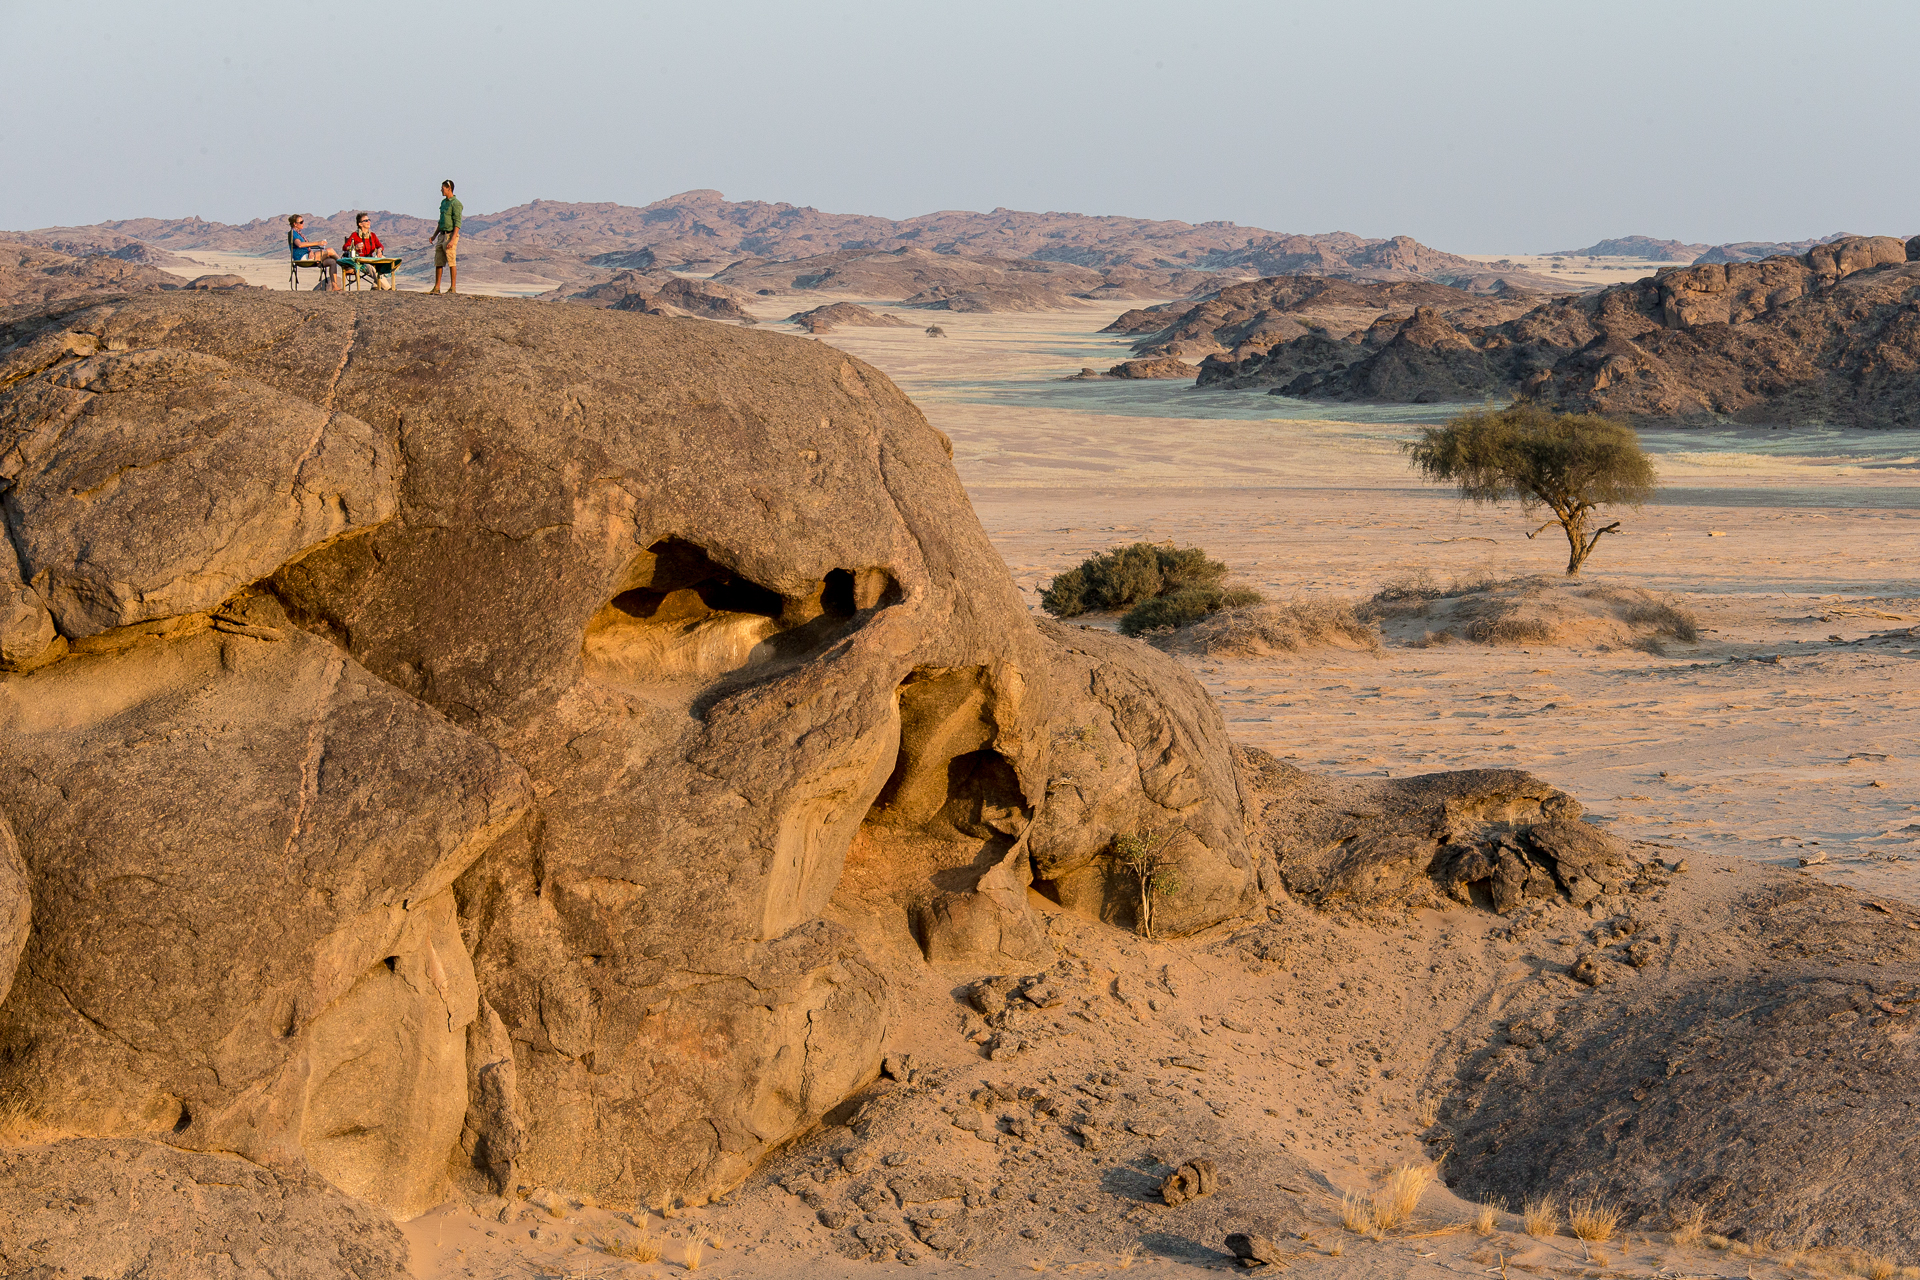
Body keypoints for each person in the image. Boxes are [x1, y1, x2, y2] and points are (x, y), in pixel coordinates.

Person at [287, 214, 341, 290]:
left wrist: (310, 251)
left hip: (308, 256)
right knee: (330, 250)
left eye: (303, 221)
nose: (303, 223)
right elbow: (299, 245)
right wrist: (318, 243)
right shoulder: (293, 233)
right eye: (301, 222)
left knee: (332, 261)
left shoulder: (299, 233)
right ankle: (343, 264)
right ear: (295, 224)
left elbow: (306, 246)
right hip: (301, 258)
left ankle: (334, 287)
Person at [430, 179, 462, 295]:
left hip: (450, 235)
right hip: (441, 235)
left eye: (443, 188)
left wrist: (452, 240)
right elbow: (441, 221)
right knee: (439, 261)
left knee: (451, 261)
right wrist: (434, 236)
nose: (441, 190)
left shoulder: (456, 204)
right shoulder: (443, 203)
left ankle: (453, 287)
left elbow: (457, 223)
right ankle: (437, 287)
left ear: (449, 188)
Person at [340, 213, 387, 289]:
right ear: (360, 224)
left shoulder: (372, 235)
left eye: (369, 220)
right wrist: (354, 247)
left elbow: (380, 246)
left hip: (371, 260)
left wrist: (379, 250)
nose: (368, 222)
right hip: (360, 262)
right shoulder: (355, 235)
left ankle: (375, 286)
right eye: (366, 220)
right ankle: (388, 288)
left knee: (385, 262)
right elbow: (345, 247)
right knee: (370, 267)